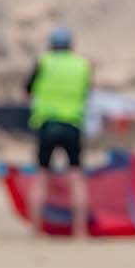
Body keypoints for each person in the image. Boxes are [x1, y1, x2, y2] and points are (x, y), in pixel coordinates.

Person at [24, 27, 92, 236]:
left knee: (42, 175)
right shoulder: (82, 65)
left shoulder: (44, 62)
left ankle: (36, 230)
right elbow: (86, 92)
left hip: (47, 124)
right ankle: (80, 231)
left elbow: (27, 90)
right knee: (76, 176)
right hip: (72, 124)